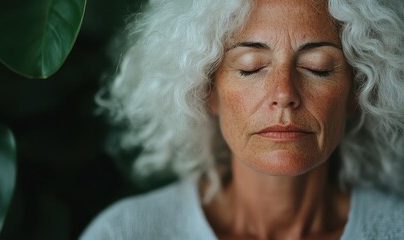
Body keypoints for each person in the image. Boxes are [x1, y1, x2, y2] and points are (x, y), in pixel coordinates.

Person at [81, 0, 404, 239]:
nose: (284, 93)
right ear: (207, 90)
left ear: (355, 92)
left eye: (317, 67)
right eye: (250, 67)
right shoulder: (125, 232)